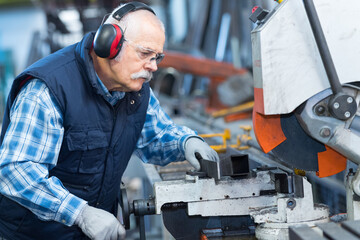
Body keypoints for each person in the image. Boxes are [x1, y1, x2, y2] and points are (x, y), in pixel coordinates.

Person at [0, 2, 219, 240]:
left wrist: (185, 142)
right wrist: (81, 213)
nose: (154, 66)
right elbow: (16, 170)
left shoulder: (136, 90)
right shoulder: (49, 89)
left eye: (157, 57)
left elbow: (154, 136)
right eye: (145, 54)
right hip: (34, 235)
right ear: (109, 44)